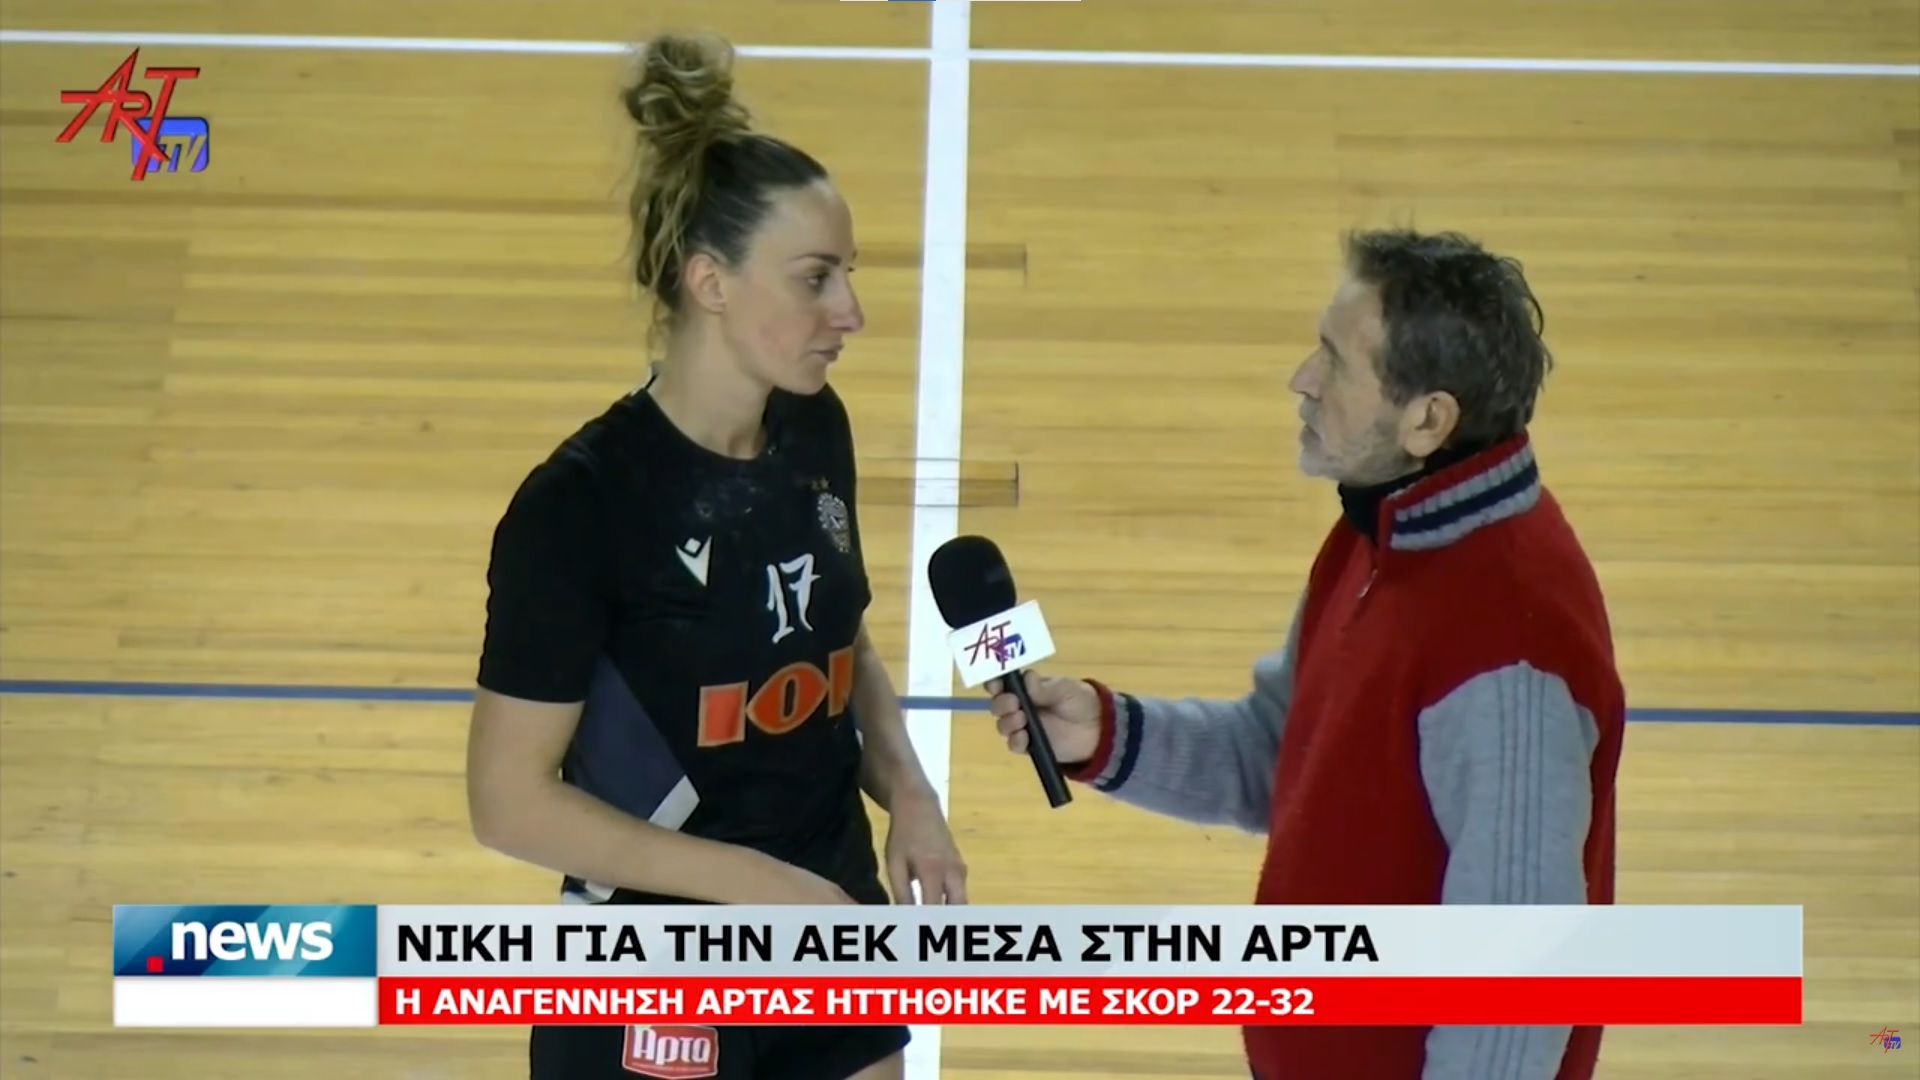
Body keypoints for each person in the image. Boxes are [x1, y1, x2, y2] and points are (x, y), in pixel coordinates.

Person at [987, 228, 1626, 1080]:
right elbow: (1286, 754)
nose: (1302, 379)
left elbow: (1512, 998)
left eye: (1334, 361)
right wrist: (1108, 734)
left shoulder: (1507, 651)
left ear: (1428, 420)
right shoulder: (1385, 530)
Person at [464, 31, 965, 1080]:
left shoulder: (813, 426)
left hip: (825, 912)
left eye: (848, 276)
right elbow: (509, 802)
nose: (851, 313)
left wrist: (910, 795)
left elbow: (837, 642)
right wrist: (751, 885)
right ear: (711, 283)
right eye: (816, 279)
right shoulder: (581, 506)